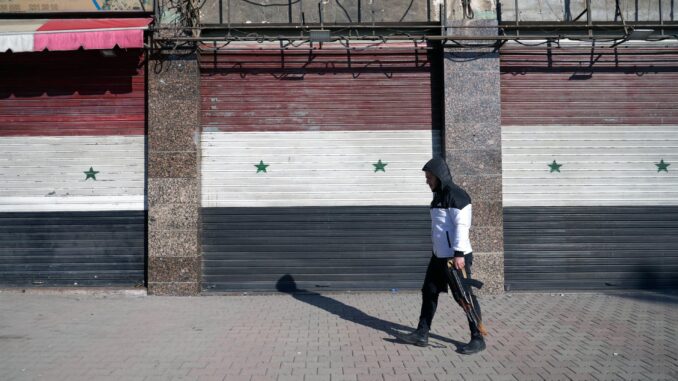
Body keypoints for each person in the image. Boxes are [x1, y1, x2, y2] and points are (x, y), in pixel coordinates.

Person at [398, 157, 486, 354]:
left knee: (463, 297)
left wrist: (459, 254)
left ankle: (478, 338)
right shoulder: (438, 196)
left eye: (429, 177)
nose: (427, 181)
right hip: (439, 257)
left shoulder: (457, 195)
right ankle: (422, 333)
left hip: (454, 258)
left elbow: (461, 227)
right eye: (427, 177)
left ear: (439, 176)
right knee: (429, 291)